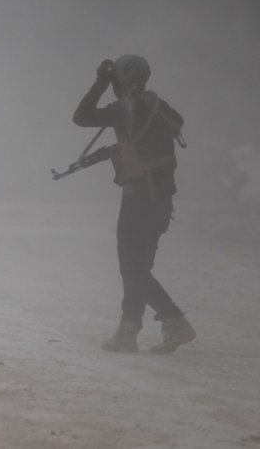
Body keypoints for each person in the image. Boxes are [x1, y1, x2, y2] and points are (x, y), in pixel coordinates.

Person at [73, 55, 195, 354]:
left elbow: (81, 116)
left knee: (132, 268)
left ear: (119, 82)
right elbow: (158, 137)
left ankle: (174, 319)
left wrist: (101, 81)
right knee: (138, 266)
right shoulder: (159, 106)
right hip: (162, 201)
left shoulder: (123, 109)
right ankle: (128, 332)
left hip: (137, 199)